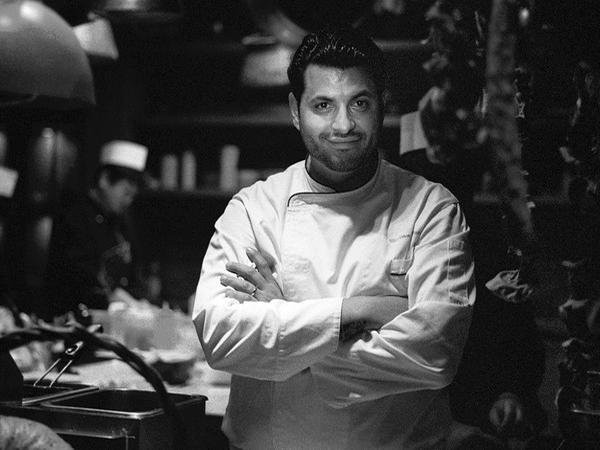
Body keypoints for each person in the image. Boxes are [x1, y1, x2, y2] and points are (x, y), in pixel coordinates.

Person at [192, 25, 476, 450]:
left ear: (382, 105)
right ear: (296, 110)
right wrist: (362, 311)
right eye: (323, 105)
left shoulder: (431, 209)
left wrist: (288, 332)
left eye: (359, 103)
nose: (343, 124)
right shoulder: (253, 209)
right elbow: (219, 337)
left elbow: (435, 352)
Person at [43, 140, 149, 319]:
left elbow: (133, 273)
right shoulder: (75, 213)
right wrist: (112, 298)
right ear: (104, 179)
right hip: (72, 318)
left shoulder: (121, 222)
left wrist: (138, 299)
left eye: (132, 195)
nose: (128, 201)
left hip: (114, 318)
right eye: (125, 193)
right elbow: (78, 274)